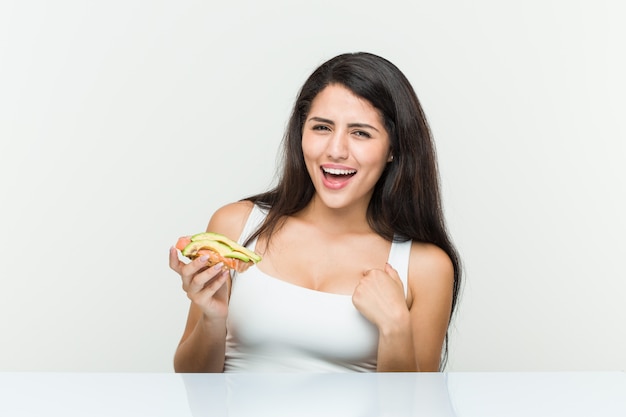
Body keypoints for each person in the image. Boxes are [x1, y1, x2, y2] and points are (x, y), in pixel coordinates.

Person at [169, 52, 462, 373]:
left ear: (393, 149)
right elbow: (191, 380)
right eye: (322, 127)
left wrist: (395, 327)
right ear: (301, 133)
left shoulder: (426, 267)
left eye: (360, 132)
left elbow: (415, 407)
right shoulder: (236, 227)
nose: (335, 150)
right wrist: (212, 317)